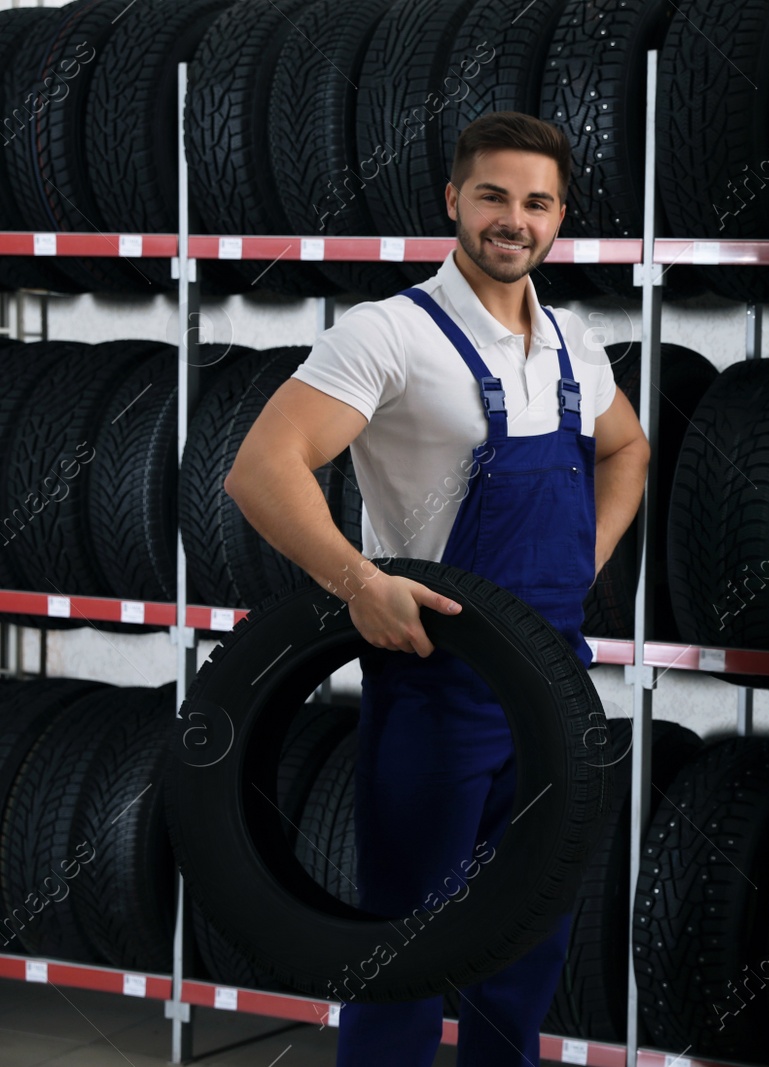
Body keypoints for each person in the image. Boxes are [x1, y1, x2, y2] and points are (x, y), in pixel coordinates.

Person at [224, 111, 651, 1065]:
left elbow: (627, 449)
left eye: (537, 202)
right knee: (403, 945)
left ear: (560, 216)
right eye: (494, 195)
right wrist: (357, 581)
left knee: (527, 936)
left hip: (556, 683)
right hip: (435, 683)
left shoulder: (575, 343)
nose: (514, 218)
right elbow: (262, 468)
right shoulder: (388, 333)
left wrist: (583, 561)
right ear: (453, 199)